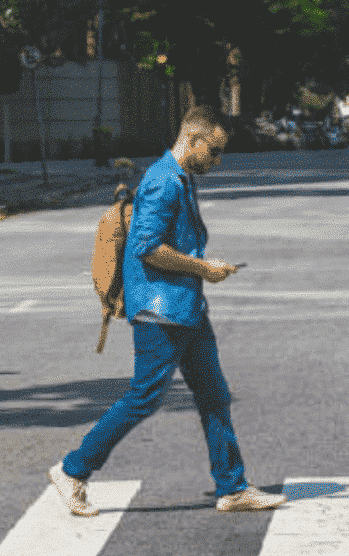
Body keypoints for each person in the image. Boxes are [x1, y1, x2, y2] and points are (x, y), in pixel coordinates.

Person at [48, 105, 287, 516]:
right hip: (161, 310)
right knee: (145, 396)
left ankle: (232, 487)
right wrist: (204, 268)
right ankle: (73, 470)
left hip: (186, 307)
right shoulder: (163, 182)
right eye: (213, 151)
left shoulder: (178, 178)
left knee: (214, 396)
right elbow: (148, 247)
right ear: (192, 140)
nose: (216, 160)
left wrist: (202, 272)